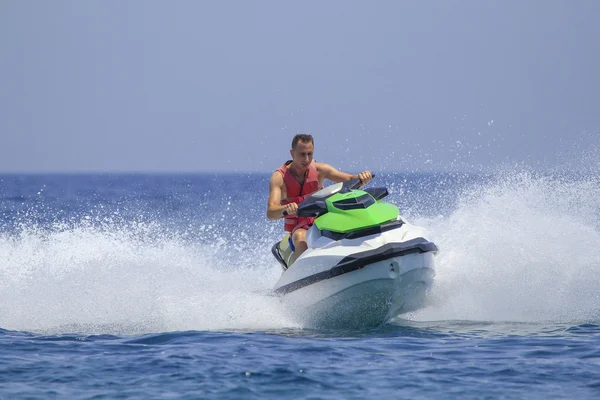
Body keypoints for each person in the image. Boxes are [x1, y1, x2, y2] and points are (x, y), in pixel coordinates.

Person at [267, 134, 372, 258]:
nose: (306, 159)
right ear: (292, 153)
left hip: (322, 220)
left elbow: (349, 179)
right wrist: (285, 209)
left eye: (310, 154)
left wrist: (363, 177)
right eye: (302, 154)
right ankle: (304, 274)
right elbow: (271, 212)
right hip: (299, 228)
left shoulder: (320, 170)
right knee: (301, 237)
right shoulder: (279, 178)